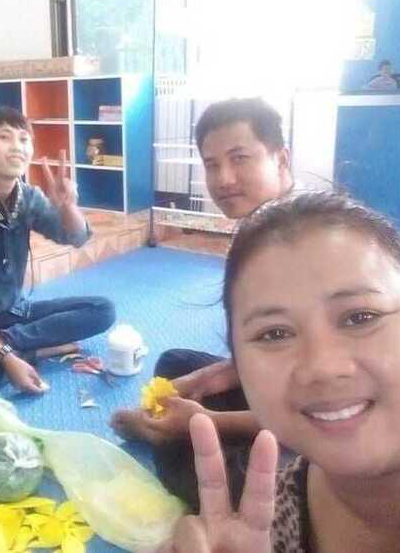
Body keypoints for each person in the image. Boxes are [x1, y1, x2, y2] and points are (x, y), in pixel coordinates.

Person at [154, 191, 400, 552]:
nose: (322, 367)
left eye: (360, 317)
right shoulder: (279, 506)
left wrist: (210, 420)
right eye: (274, 333)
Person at [111, 97, 293, 510]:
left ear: (281, 160)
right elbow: (268, 355)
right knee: (176, 365)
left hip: (319, 425)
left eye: (240, 158)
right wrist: (207, 380)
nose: (224, 179)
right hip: (278, 391)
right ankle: (174, 434)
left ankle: (167, 439)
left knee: (236, 485)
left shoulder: (296, 246)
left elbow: (314, 406)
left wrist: (206, 421)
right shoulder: (258, 231)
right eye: (212, 164)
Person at [0, 107, 116, 409]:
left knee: (102, 310)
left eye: (24, 139)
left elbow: (76, 237)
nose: (17, 146)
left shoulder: (27, 197)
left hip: (10, 311)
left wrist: (68, 205)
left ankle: (7, 342)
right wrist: (9, 360)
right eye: (5, 137)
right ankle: (26, 350)